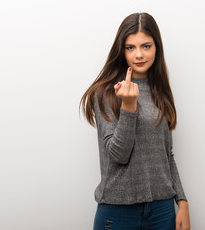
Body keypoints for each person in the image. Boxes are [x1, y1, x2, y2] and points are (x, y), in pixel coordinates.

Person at [80, 12, 191, 230]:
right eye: (130, 47)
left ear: (157, 48)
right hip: (117, 211)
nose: (139, 54)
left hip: (162, 210)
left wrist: (182, 202)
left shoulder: (160, 91)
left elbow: (166, 154)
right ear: (121, 50)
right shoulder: (105, 92)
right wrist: (128, 106)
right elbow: (118, 155)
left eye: (146, 46)